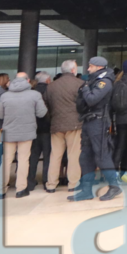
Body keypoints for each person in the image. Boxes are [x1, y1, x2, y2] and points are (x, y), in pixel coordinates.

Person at [70, 57, 121, 202]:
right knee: (85, 157)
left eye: (90, 66)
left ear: (98, 67)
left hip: (99, 122)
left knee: (101, 155)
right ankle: (86, 190)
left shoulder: (104, 82)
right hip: (89, 120)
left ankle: (114, 186)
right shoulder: (94, 80)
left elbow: (92, 99)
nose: (88, 69)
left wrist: (85, 88)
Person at [0, 75, 48, 197]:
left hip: (8, 132)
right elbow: (42, 113)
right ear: (27, 82)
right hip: (27, 131)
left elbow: (0, 115)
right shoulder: (34, 95)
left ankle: (1, 190)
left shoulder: (5, 96)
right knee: (23, 160)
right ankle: (21, 189)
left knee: (6, 161)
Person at [46, 60, 83, 193]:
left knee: (55, 155)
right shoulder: (79, 84)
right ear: (73, 70)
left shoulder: (51, 86)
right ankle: (73, 184)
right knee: (74, 155)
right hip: (74, 124)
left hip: (56, 124)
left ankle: (51, 184)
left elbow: (47, 106)